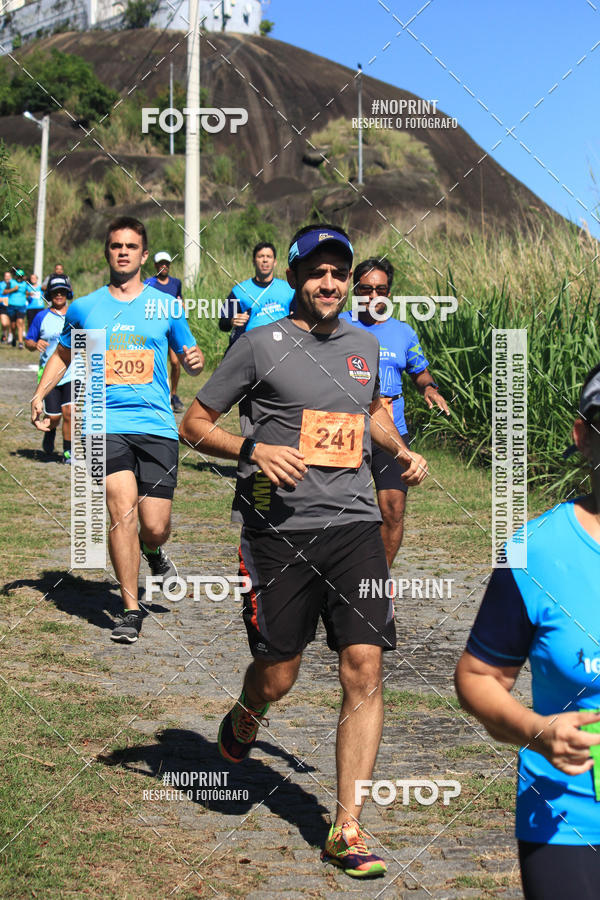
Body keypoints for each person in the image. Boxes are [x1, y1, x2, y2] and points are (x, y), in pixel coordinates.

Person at [180, 224, 428, 878]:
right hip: (277, 532)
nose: (330, 283)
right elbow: (193, 424)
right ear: (294, 277)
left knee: (364, 668)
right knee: (279, 673)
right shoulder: (259, 345)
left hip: (354, 527)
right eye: (317, 272)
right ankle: (249, 708)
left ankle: (347, 828)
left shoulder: (364, 344)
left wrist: (400, 449)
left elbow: (368, 411)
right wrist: (253, 449)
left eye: (339, 273)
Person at [454, 362, 600, 900]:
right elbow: (478, 677)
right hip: (571, 814)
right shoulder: (532, 552)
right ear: (583, 437)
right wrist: (539, 730)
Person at [31, 217, 205, 644]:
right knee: (120, 511)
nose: (123, 252)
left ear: (144, 255)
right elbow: (64, 355)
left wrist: (195, 360)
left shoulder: (166, 306)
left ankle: (153, 550)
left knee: (155, 524)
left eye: (130, 246)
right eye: (115, 245)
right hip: (104, 423)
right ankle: (130, 609)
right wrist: (40, 394)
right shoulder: (85, 307)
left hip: (156, 425)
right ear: (107, 252)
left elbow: (188, 353)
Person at [340, 258, 448, 566]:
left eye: (381, 289)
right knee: (343, 511)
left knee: (393, 510)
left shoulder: (403, 332)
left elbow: (419, 370)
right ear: (355, 289)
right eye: (366, 289)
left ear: (389, 292)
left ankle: (379, 578)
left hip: (392, 430)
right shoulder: (339, 325)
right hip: (346, 429)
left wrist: (429, 388)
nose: (373, 296)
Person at [25, 274, 73, 462]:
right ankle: (50, 430)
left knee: (70, 411)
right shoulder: (41, 316)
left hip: (72, 373)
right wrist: (34, 344)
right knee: (54, 417)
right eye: (55, 292)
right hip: (49, 374)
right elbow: (28, 341)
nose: (59, 295)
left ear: (68, 293)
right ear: (49, 294)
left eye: (62, 291)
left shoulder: (75, 315)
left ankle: (68, 451)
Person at [218, 241, 294, 348]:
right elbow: (222, 324)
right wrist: (232, 320)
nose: (265, 260)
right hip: (250, 346)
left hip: (282, 345)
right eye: (260, 256)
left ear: (275, 262)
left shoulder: (289, 289)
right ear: (254, 261)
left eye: (269, 256)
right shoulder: (239, 291)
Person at [143, 251, 184, 413]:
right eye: (161, 264)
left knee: (175, 362)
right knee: (154, 364)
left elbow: (179, 299)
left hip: (171, 328)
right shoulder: (149, 283)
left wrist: (181, 307)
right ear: (155, 265)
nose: (164, 266)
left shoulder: (176, 283)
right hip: (154, 329)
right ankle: (154, 396)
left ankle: (174, 394)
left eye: (166, 263)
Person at [3, 268, 28, 348]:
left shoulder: (25, 283)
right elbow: (4, 292)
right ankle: (14, 337)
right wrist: (13, 289)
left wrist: (28, 295)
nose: (19, 278)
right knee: (13, 325)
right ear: (16, 276)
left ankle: (20, 343)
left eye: (21, 276)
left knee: (20, 322)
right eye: (18, 276)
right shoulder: (11, 282)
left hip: (21, 306)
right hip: (12, 306)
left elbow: (27, 292)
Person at [0, 269, 15, 343]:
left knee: (10, 322)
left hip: (11, 305)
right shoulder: (1, 284)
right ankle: (4, 333)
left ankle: (9, 336)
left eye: (9, 276)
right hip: (2, 305)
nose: (7, 277)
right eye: (6, 276)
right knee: (4, 323)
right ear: (4, 277)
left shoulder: (14, 284)